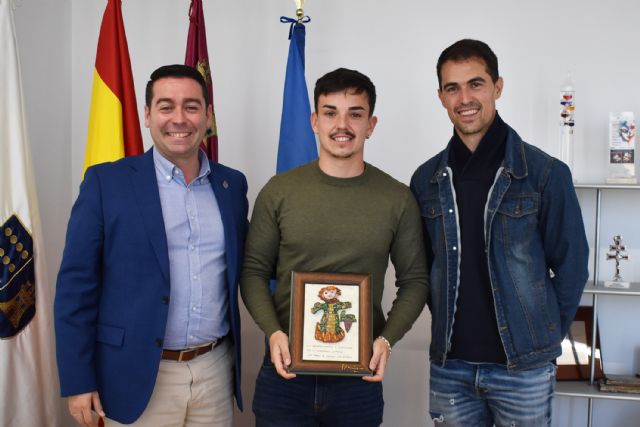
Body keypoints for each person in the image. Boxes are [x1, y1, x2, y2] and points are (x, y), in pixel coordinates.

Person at [54, 64, 248, 427]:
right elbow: (75, 289)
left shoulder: (232, 186)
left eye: (191, 107)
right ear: (147, 115)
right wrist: (78, 381)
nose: (179, 118)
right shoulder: (106, 183)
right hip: (136, 375)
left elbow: (250, 267)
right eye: (166, 106)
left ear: (208, 115)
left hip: (215, 372)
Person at [410, 39, 590, 426]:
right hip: (450, 368)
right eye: (452, 88)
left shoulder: (545, 174)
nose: (465, 98)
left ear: (498, 87)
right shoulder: (425, 180)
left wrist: (541, 338)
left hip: (523, 371)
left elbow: (572, 267)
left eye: (476, 83)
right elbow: (425, 270)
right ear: (440, 97)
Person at [240, 68, 429, 426]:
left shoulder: (397, 198)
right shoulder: (279, 192)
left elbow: (416, 280)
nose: (342, 124)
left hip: (357, 382)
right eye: (330, 112)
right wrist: (273, 332)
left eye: (355, 113)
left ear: (371, 124)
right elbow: (252, 272)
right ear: (315, 120)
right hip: (284, 375)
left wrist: (386, 340)